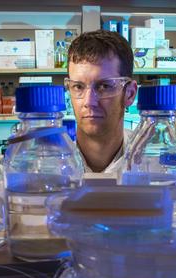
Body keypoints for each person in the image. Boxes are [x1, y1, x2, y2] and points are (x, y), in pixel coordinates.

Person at [65, 30, 138, 173]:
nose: (89, 101)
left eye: (104, 86)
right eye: (78, 86)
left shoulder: (152, 162)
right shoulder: (51, 164)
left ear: (130, 93)